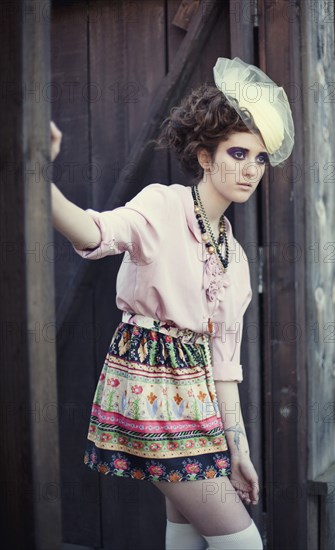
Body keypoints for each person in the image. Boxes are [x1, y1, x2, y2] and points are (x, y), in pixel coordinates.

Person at [51, 57, 294, 550]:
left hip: (198, 400)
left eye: (260, 159)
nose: (251, 170)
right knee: (244, 544)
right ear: (206, 156)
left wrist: (238, 449)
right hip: (150, 389)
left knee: (183, 535)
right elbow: (96, 231)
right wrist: (38, 179)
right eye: (239, 153)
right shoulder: (163, 206)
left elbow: (225, 365)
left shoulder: (237, 260)